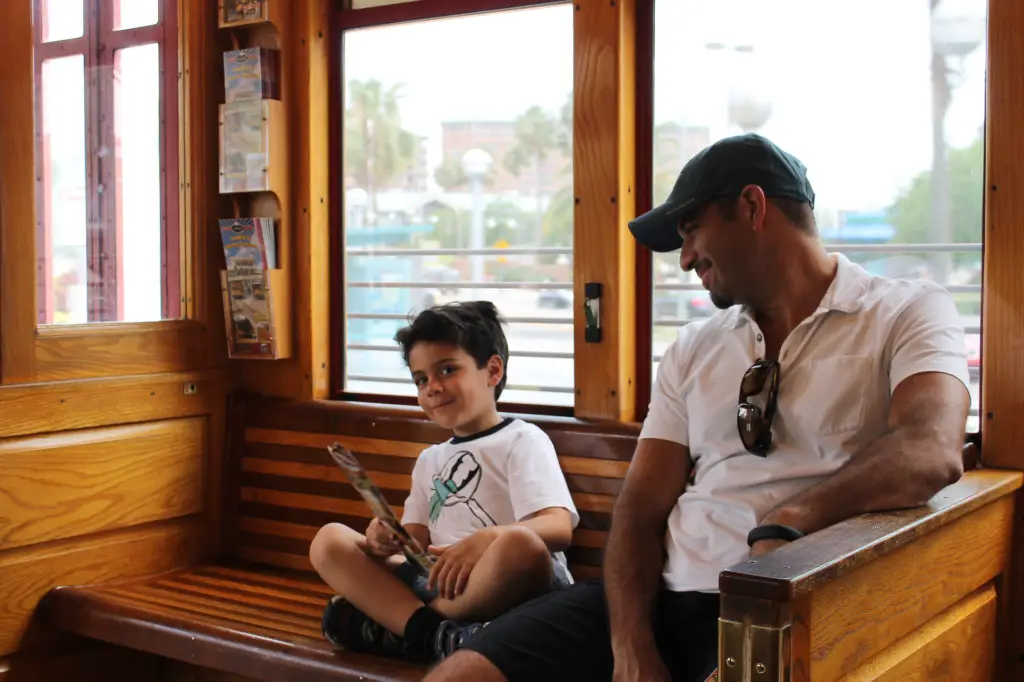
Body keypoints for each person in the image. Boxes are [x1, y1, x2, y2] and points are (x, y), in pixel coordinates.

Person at [424, 133, 970, 682]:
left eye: (691, 232)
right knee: (460, 674)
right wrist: (632, 646)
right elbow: (640, 507)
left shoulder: (907, 312)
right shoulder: (694, 346)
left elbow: (929, 449)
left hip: (795, 604)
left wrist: (790, 523)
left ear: (753, 207)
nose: (684, 259)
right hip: (658, 599)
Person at [309, 300, 579, 665]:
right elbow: (414, 541)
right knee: (330, 540)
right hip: (438, 585)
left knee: (522, 545)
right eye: (421, 379)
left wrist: (486, 539)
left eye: (447, 370)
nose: (432, 387)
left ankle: (404, 627)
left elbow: (558, 527)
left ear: (492, 370)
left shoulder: (521, 439)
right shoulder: (429, 460)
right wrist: (381, 541)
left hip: (505, 582)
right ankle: (445, 636)